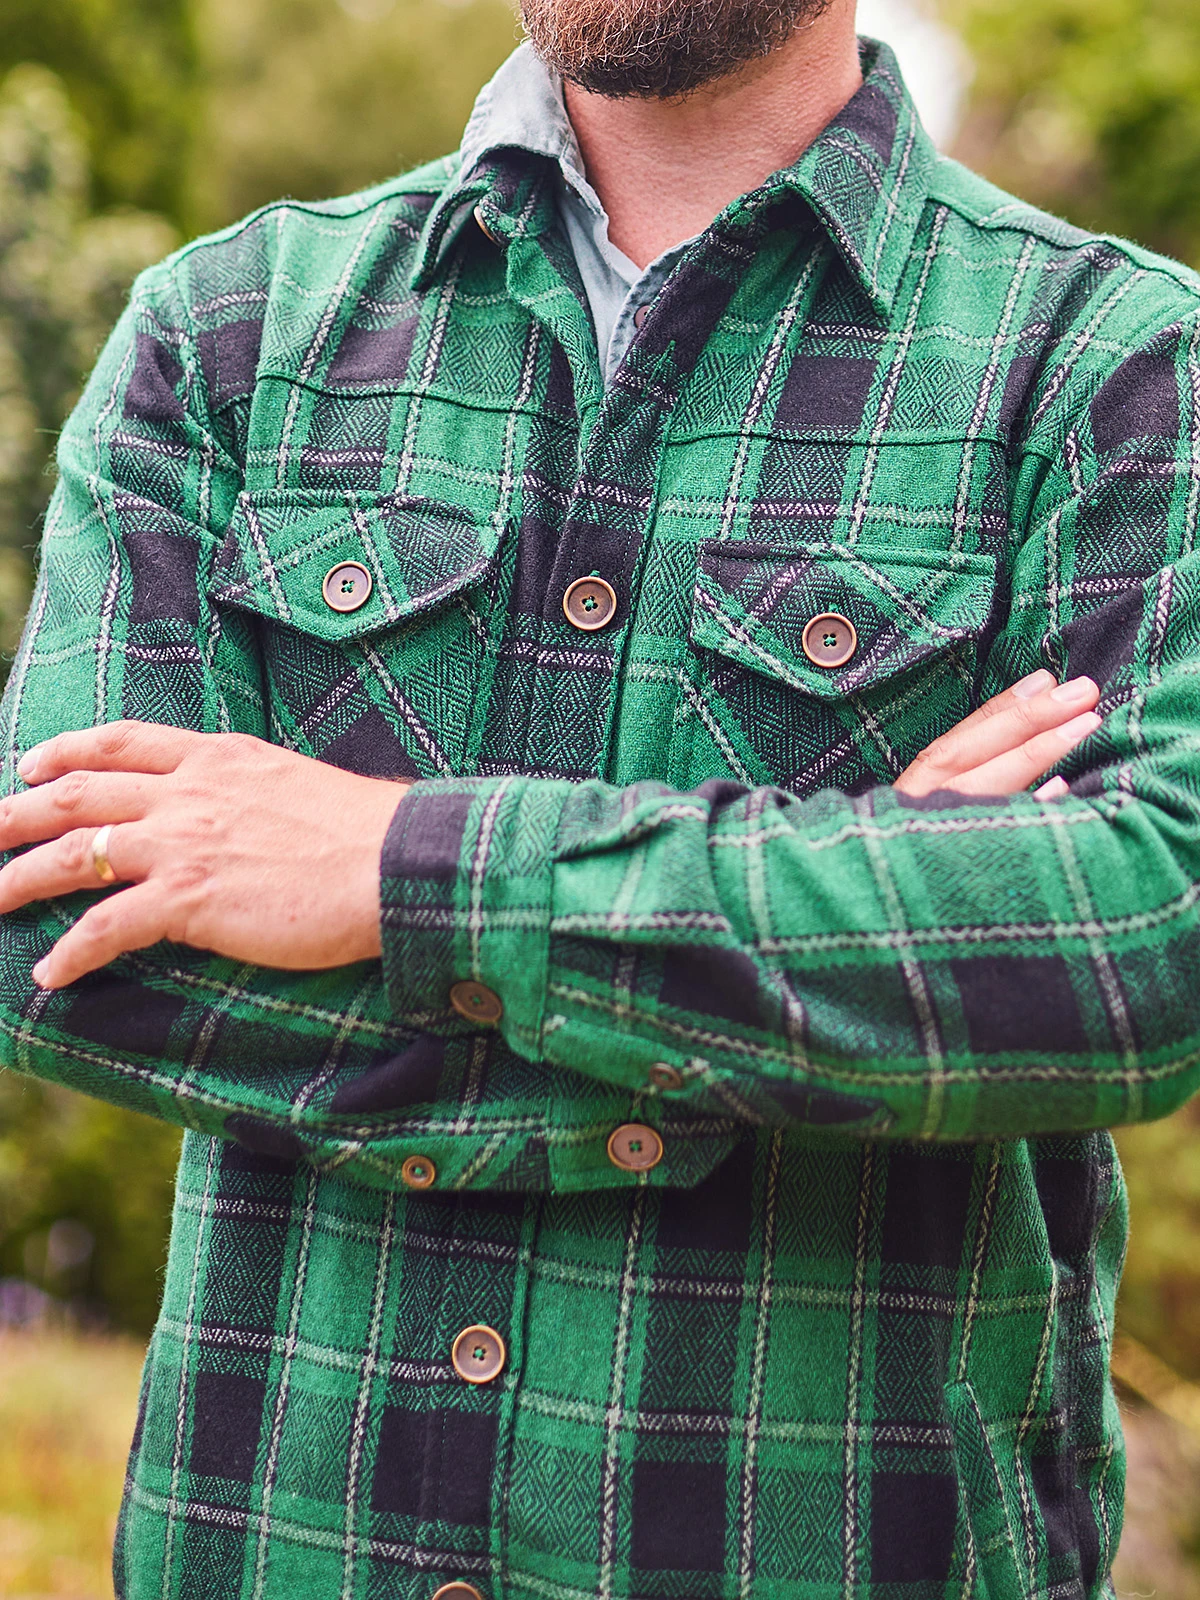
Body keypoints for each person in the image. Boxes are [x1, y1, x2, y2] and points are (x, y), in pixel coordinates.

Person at [0, 0, 1197, 1594]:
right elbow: (55, 930)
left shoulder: (1116, 368)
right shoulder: (225, 330)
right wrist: (839, 944)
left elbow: (1140, 941)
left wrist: (401, 870)